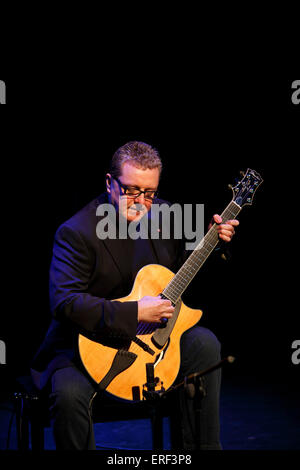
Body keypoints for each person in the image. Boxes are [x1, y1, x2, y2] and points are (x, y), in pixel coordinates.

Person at [31, 141, 239, 450]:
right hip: (86, 345)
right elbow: (65, 302)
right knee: (69, 394)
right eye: (131, 190)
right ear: (109, 183)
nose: (141, 202)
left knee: (203, 343)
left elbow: (178, 275)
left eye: (150, 193)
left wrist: (211, 244)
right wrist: (135, 313)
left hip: (151, 345)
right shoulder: (77, 231)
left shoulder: (166, 216)